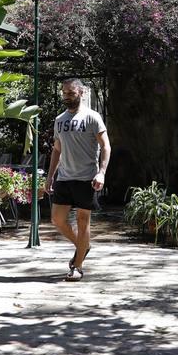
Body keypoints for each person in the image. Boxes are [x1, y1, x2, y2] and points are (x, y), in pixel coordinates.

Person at [43, 78, 110, 281]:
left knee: (83, 222)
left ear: (81, 92)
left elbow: (106, 146)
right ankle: (83, 246)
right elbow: (57, 149)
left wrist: (102, 172)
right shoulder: (59, 120)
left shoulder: (92, 117)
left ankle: (78, 267)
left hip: (86, 178)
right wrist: (50, 176)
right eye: (64, 93)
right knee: (57, 219)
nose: (66, 97)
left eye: (70, 93)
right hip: (64, 177)